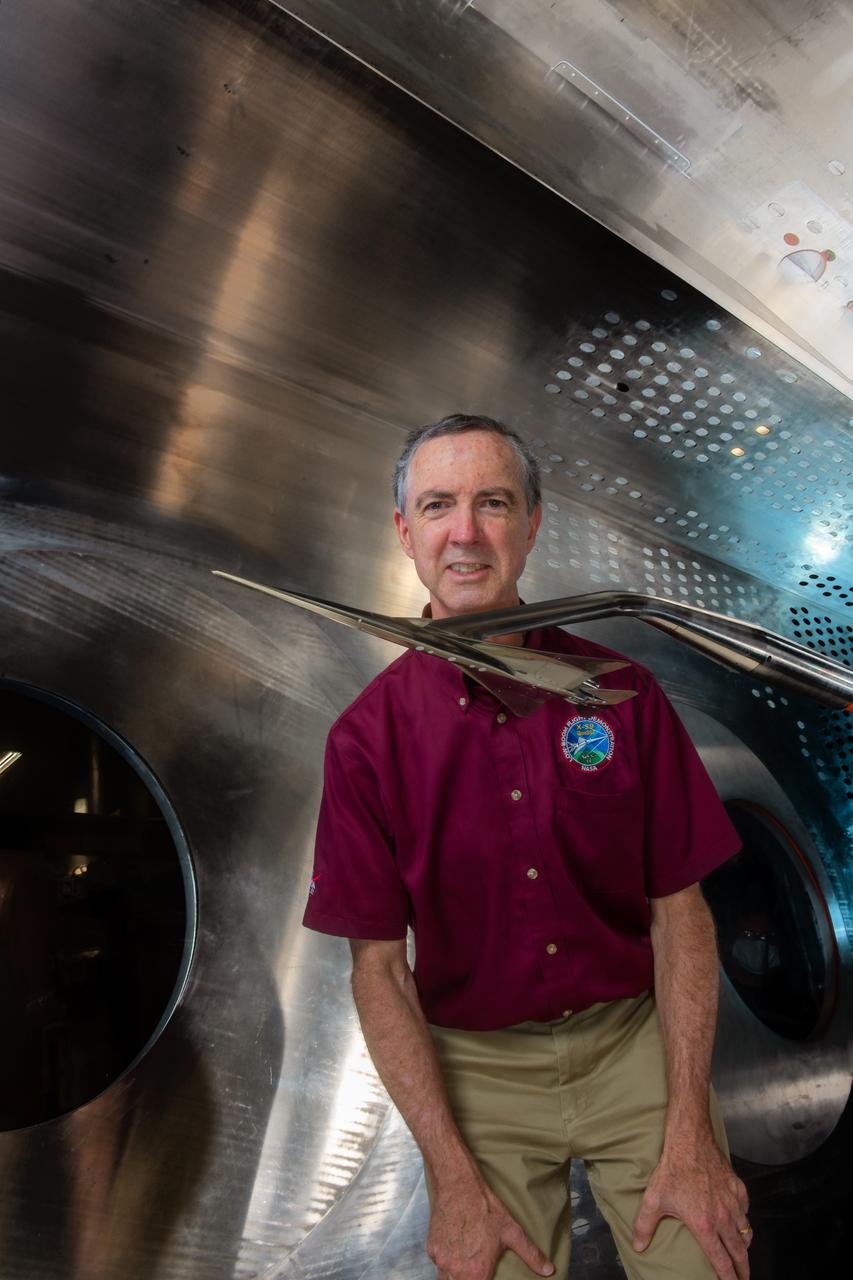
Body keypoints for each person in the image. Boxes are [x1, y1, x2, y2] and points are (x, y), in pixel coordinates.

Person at [303, 414, 751, 1280]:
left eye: (492, 503)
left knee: (706, 1260)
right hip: (477, 1079)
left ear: (532, 524)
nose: (464, 533)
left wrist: (690, 1127)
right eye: (437, 506)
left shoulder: (622, 695)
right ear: (404, 531)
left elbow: (679, 913)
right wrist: (449, 1175)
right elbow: (379, 972)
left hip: (635, 1048)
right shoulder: (363, 741)